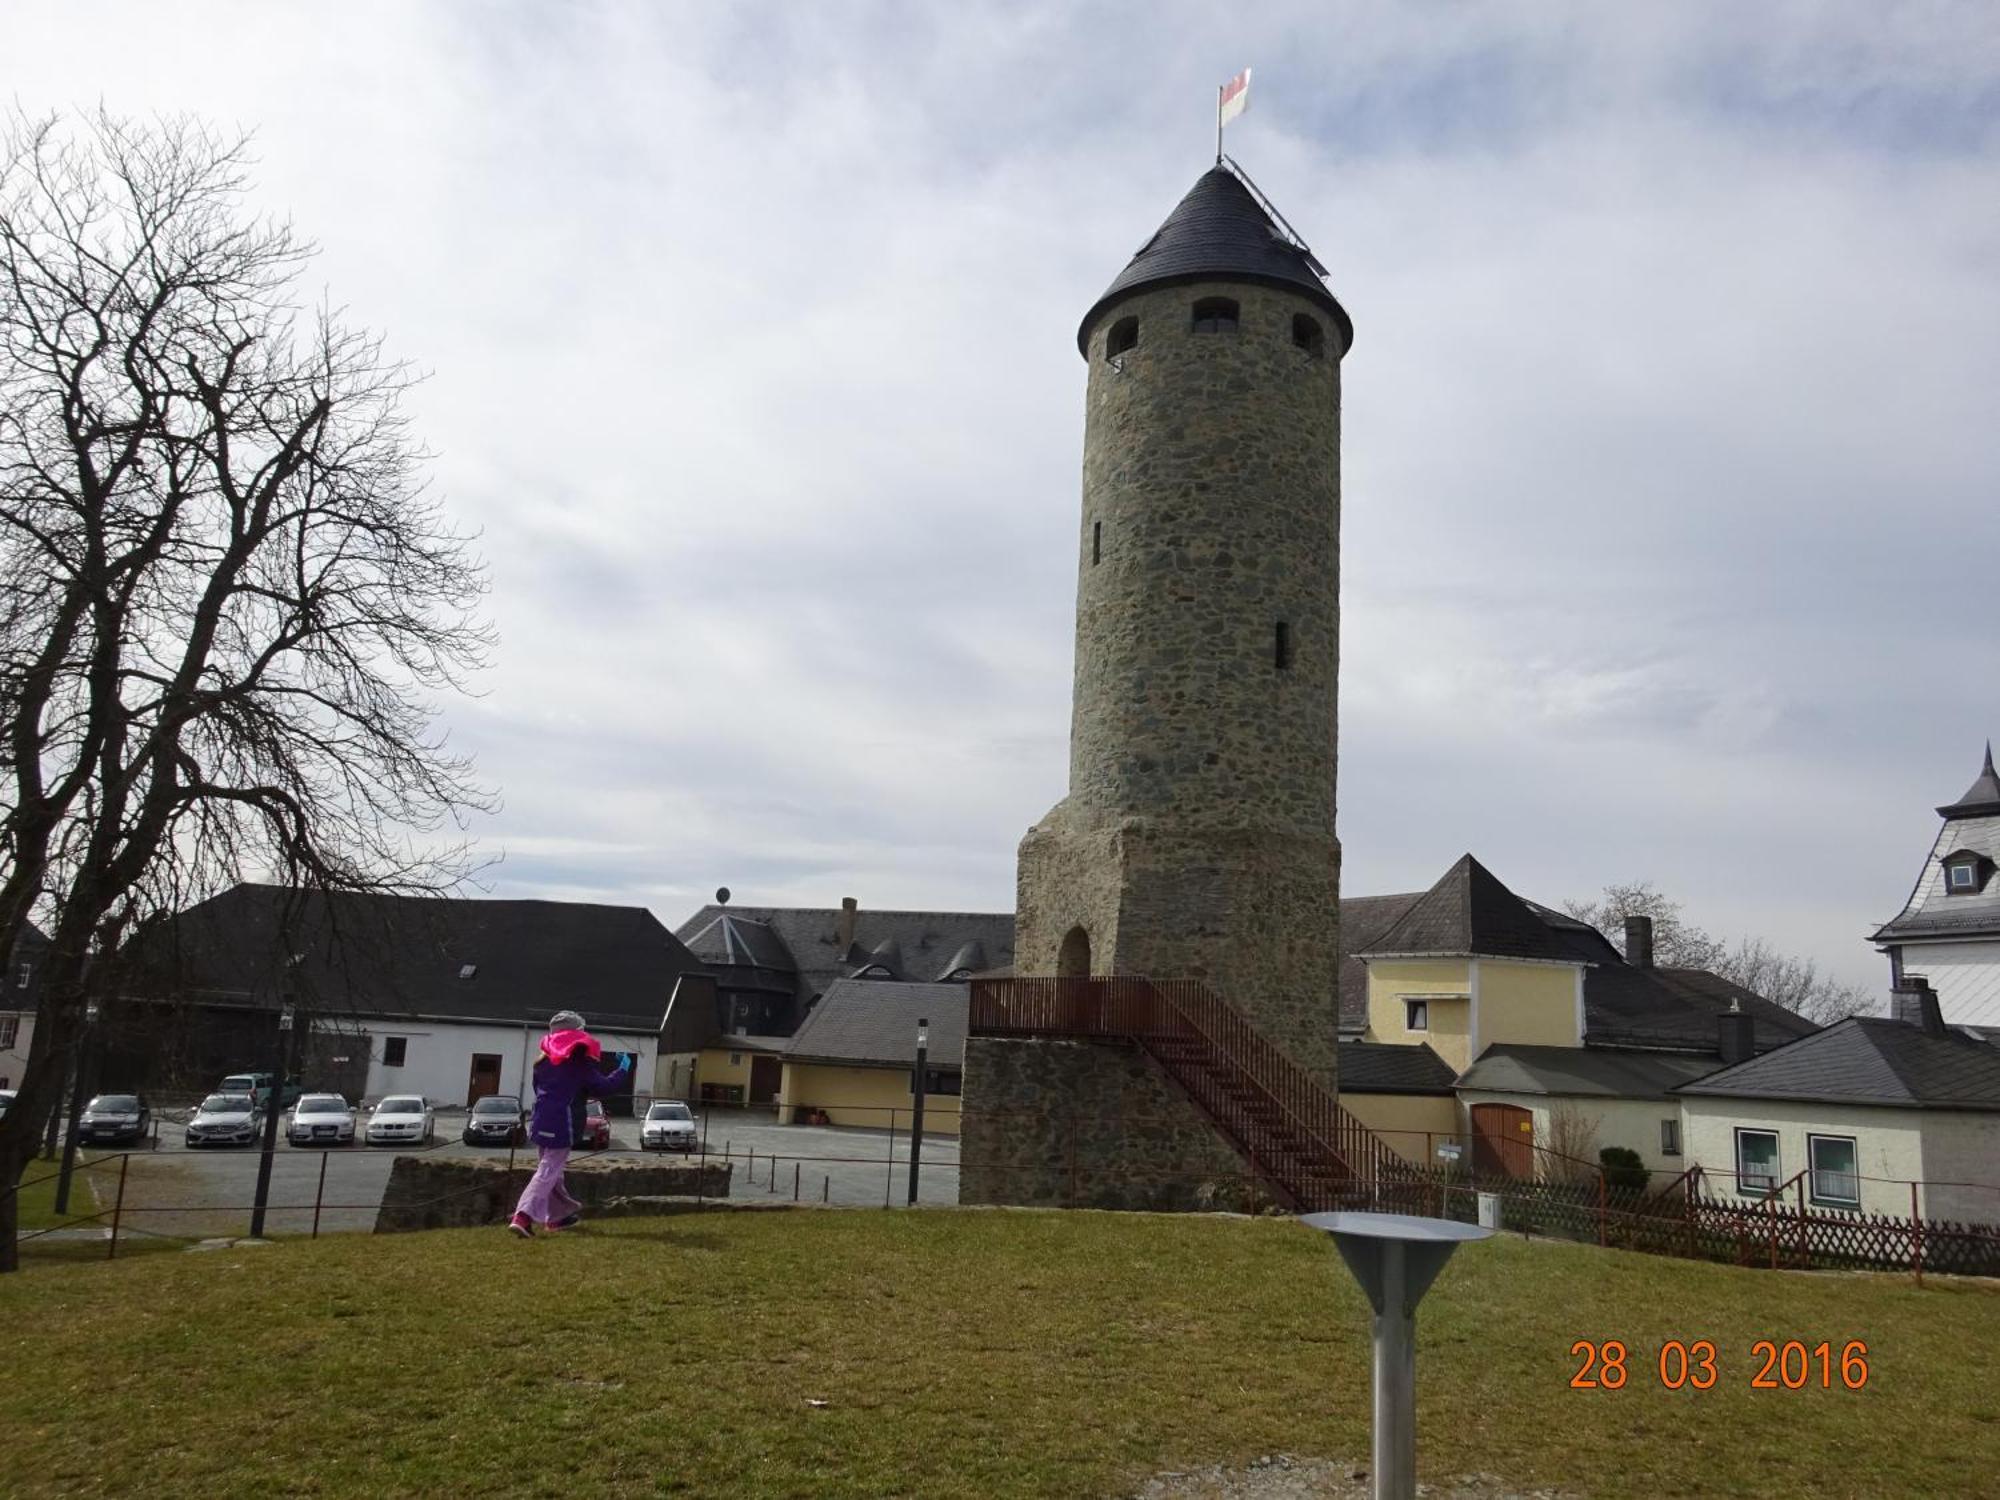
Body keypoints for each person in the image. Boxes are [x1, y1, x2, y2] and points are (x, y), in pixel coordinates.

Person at [509, 1009, 630, 1238]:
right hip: (562, 1122)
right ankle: (523, 1216)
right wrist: (622, 1071)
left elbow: (539, 1089)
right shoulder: (579, 1064)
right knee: (548, 1170)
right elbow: (603, 1087)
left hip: (540, 1118)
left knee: (551, 1169)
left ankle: (557, 1217)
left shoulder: (541, 1063)